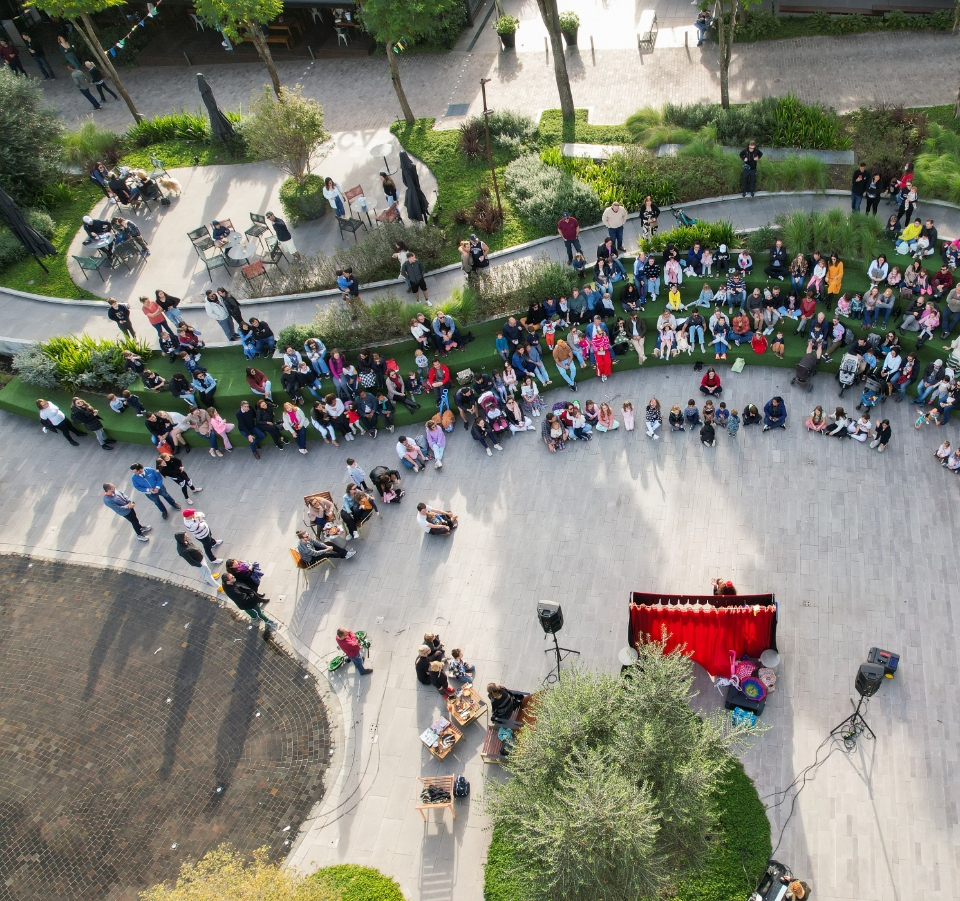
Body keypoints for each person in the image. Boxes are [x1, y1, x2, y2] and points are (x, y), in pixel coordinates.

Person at [222, 573, 276, 638]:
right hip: (250, 604)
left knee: (250, 612)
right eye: (231, 578)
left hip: (243, 605)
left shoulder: (225, 585)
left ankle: (254, 618)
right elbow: (245, 599)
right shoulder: (233, 591)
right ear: (228, 582)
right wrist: (252, 594)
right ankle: (268, 621)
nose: (233, 577)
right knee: (258, 613)